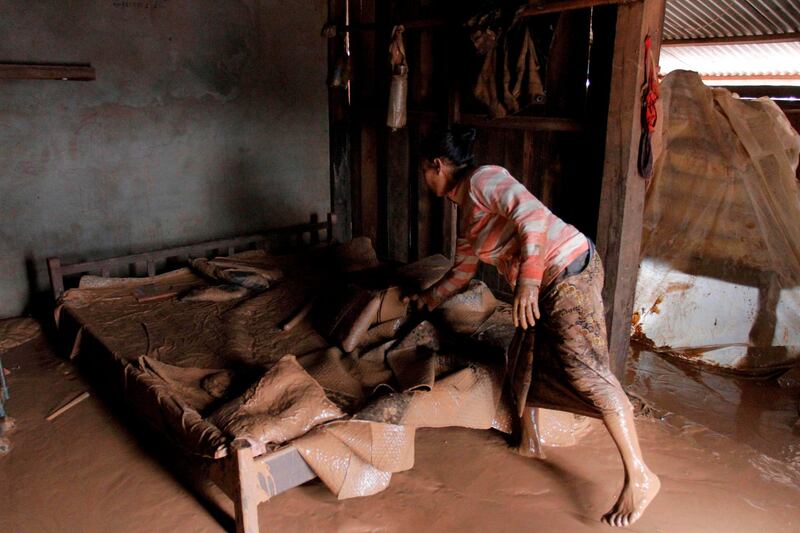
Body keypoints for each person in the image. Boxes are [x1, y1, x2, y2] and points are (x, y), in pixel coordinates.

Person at [411, 126, 660, 528]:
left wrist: (527, 282)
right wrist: (426, 300)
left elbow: (533, 218)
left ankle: (641, 476)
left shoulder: (484, 179)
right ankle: (531, 443)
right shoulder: (467, 217)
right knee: (521, 360)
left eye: (426, 171)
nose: (425, 180)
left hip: (567, 271)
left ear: (437, 165)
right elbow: (461, 272)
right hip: (543, 281)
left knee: (585, 371)